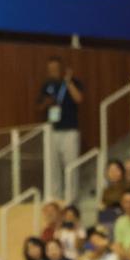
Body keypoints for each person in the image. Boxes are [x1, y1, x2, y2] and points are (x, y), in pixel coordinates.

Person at [38, 58, 84, 197]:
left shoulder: (72, 82)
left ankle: (71, 196)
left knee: (70, 165)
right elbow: (39, 106)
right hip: (52, 130)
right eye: (51, 69)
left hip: (70, 130)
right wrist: (48, 102)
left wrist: (68, 82)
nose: (53, 71)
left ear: (61, 68)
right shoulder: (47, 85)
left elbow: (79, 99)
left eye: (56, 68)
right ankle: (54, 196)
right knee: (53, 166)